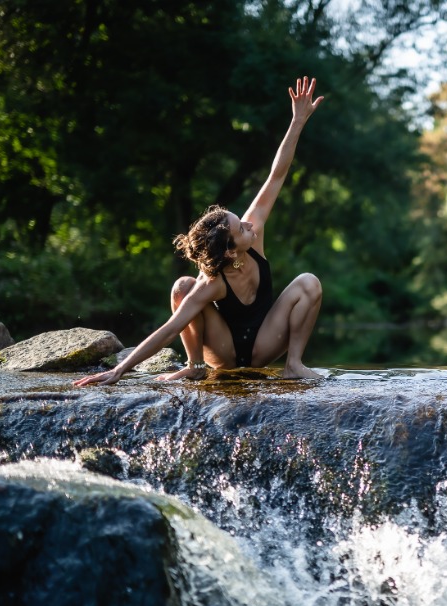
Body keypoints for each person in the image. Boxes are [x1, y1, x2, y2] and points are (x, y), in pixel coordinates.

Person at [75, 76, 325, 387]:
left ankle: (294, 364)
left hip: (264, 344)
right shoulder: (212, 282)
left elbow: (277, 175)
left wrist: (298, 121)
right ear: (231, 250)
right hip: (226, 354)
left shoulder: (252, 235)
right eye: (242, 228)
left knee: (308, 283)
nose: (250, 225)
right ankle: (194, 366)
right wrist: (119, 370)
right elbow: (169, 328)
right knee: (182, 286)